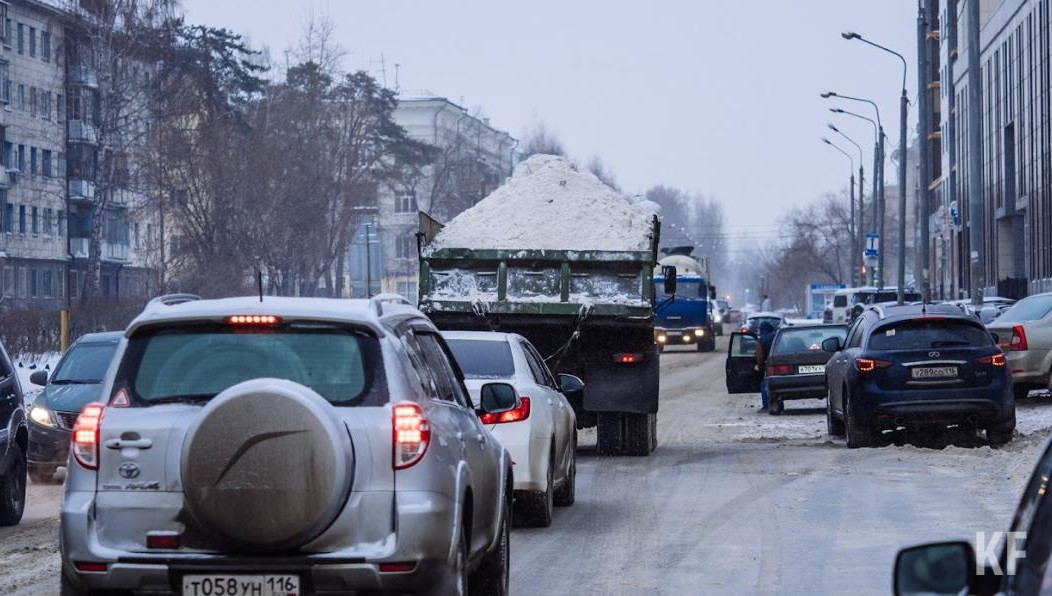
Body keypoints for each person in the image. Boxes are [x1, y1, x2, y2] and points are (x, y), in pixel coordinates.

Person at [754, 321, 776, 411]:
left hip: (767, 365)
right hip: (779, 363)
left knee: (764, 384)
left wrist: (760, 366)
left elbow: (760, 355)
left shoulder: (760, 341)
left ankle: (766, 404)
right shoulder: (776, 337)